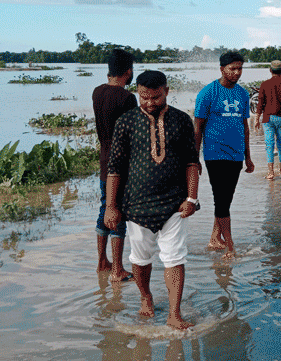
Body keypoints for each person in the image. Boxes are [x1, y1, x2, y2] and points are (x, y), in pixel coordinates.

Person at [104, 70, 200, 330]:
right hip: (136, 205)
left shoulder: (181, 120)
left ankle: (174, 313)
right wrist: (111, 206)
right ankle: (145, 296)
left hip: (174, 203)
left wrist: (191, 198)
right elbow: (115, 168)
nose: (149, 102)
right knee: (140, 257)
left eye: (155, 97)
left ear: (167, 91)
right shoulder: (126, 122)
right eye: (144, 97)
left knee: (174, 257)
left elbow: (192, 162)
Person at [194, 52, 254, 261]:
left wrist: (248, 156)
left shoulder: (243, 94)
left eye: (240, 69)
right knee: (222, 200)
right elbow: (198, 127)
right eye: (232, 69)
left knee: (225, 199)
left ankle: (214, 238)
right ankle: (230, 246)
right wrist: (195, 159)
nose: (237, 73)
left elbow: (244, 126)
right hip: (214, 154)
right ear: (222, 69)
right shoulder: (208, 93)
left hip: (236, 155)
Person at [92, 48, 137, 283]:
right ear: (128, 71)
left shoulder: (97, 92)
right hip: (121, 163)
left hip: (103, 159)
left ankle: (102, 261)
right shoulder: (127, 98)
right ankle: (118, 268)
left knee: (104, 208)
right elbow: (132, 133)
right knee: (118, 211)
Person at [254, 60, 281, 180]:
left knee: (269, 145)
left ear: (270, 71)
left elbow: (260, 103)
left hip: (267, 119)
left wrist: (256, 118)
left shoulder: (264, 84)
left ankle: (270, 173)